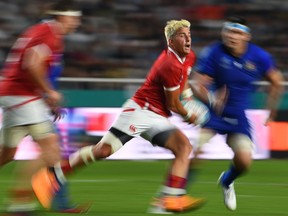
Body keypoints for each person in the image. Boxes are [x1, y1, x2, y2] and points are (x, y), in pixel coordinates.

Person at [32, 19, 210, 214]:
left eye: (189, 35)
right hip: (140, 112)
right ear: (171, 41)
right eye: (182, 36)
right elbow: (173, 104)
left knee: (183, 147)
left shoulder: (189, 57)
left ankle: (169, 198)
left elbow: (183, 84)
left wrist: (189, 98)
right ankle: (52, 176)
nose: (188, 39)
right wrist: (189, 115)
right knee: (103, 151)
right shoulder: (169, 64)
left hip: (156, 115)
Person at [189, 16, 284, 211]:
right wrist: (211, 98)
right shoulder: (214, 52)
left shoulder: (259, 56)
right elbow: (197, 83)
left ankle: (227, 180)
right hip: (213, 114)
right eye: (229, 31)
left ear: (247, 37)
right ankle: (177, 195)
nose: (232, 36)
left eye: (238, 33)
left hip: (238, 117)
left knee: (244, 162)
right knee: (195, 153)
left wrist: (271, 110)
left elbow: (276, 81)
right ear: (223, 33)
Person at [0, 0, 83, 215]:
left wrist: (45, 98)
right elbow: (32, 64)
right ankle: (20, 204)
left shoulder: (43, 31)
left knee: (7, 154)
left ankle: (51, 203)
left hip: (16, 95)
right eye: (74, 17)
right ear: (62, 17)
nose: (77, 22)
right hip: (22, 96)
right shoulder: (50, 34)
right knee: (51, 151)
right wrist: (49, 92)